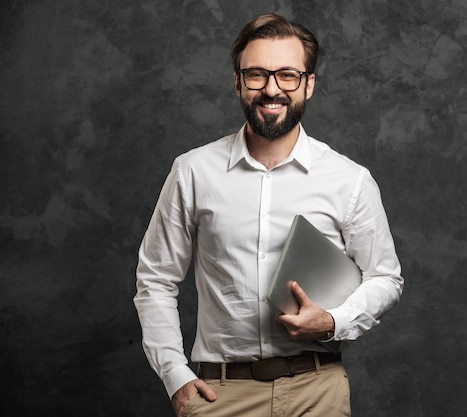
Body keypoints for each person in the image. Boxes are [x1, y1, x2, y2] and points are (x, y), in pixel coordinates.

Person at [134, 13, 403, 417]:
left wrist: (333, 321)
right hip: (219, 396)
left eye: (287, 76)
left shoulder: (350, 180)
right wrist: (174, 374)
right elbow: (155, 278)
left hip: (318, 392)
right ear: (238, 82)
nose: (271, 89)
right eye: (257, 75)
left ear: (308, 84)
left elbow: (385, 277)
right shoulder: (193, 171)